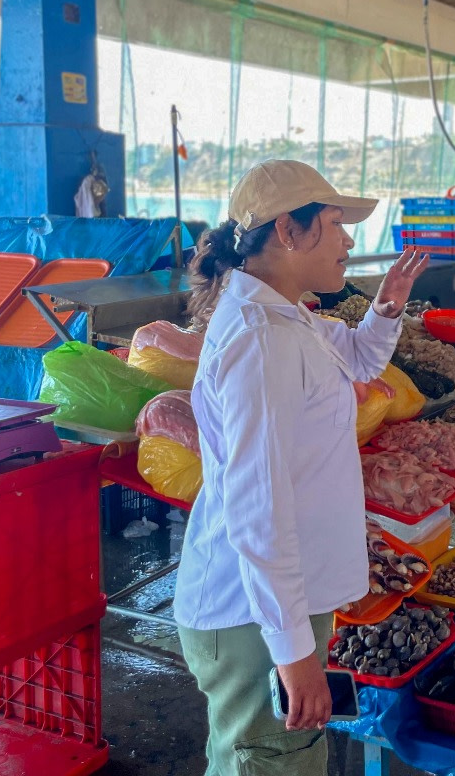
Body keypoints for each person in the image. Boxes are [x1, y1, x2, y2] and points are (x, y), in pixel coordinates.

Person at [172, 160, 429, 776]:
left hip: (278, 599)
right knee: (270, 762)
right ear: (287, 230)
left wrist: (387, 308)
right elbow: (257, 508)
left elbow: (360, 361)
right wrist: (291, 654)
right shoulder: (261, 339)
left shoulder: (291, 317)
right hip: (250, 615)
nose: (348, 241)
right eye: (335, 224)